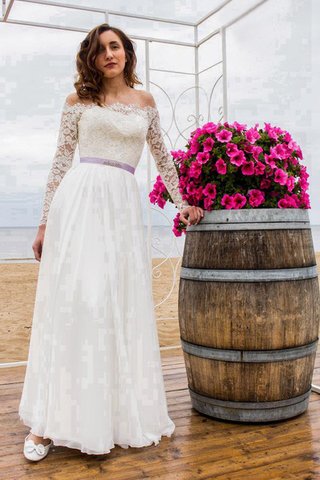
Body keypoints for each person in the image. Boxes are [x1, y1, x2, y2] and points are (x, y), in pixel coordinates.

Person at [19, 22, 204, 461]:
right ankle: (47, 424)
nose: (109, 55)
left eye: (115, 46)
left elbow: (162, 156)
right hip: (79, 203)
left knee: (115, 304)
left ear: (126, 53)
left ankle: (112, 414)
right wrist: (45, 223)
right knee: (76, 301)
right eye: (100, 49)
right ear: (92, 57)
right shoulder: (78, 102)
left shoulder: (146, 102)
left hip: (122, 208)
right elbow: (61, 160)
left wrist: (181, 203)